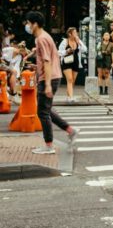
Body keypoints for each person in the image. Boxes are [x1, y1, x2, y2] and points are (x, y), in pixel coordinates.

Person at [24, 12, 78, 154]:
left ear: (35, 24)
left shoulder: (41, 39)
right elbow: (48, 60)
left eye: (28, 23)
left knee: (42, 112)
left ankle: (49, 145)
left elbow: (47, 61)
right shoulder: (44, 37)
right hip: (51, 76)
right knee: (45, 109)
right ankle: (70, 130)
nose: (27, 26)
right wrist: (37, 67)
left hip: (49, 78)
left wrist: (47, 84)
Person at [58, 27, 87, 102]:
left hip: (76, 62)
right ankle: (71, 97)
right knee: (70, 79)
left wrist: (79, 42)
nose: (76, 34)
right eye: (74, 33)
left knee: (72, 81)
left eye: (76, 32)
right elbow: (59, 52)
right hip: (67, 62)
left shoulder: (78, 41)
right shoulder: (65, 41)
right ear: (69, 34)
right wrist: (66, 51)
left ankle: (68, 96)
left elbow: (85, 49)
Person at [96, 31, 113, 97]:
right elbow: (97, 51)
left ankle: (106, 90)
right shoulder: (100, 43)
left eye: (108, 35)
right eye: (105, 35)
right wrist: (101, 51)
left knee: (107, 75)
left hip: (107, 60)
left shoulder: (111, 44)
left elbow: (112, 53)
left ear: (109, 37)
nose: (106, 36)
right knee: (100, 74)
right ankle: (100, 89)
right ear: (103, 37)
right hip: (100, 60)